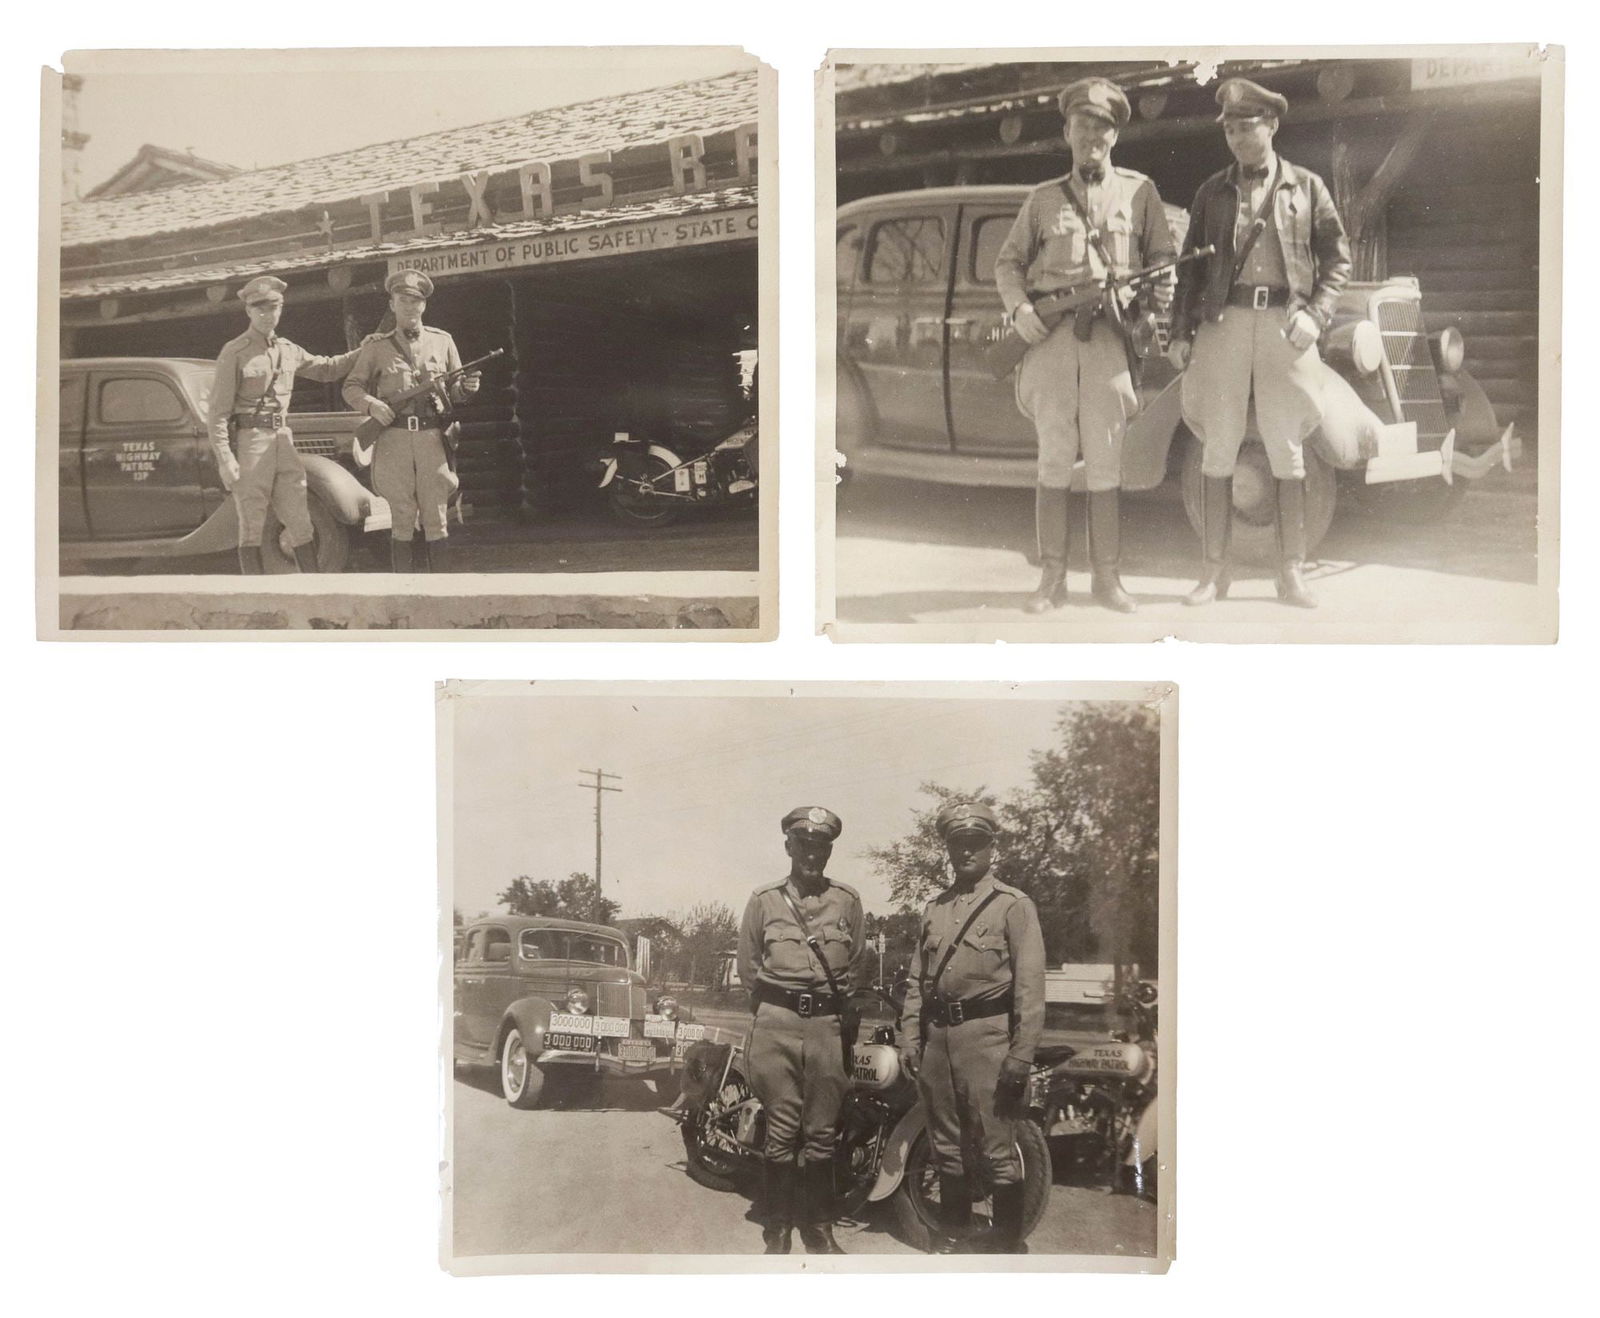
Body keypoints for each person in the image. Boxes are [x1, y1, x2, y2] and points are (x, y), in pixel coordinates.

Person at [1168, 77, 1353, 609]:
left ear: (1271, 126)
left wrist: (1316, 315)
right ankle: (1213, 574)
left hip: (1285, 326)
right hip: (1223, 326)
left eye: (1247, 127)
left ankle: (1290, 573)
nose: (1238, 138)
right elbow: (1190, 271)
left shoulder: (1308, 187)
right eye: (1229, 129)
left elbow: (1337, 260)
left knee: (1288, 447)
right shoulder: (1212, 191)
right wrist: (1182, 333)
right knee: (1217, 447)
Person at [994, 77, 1176, 614]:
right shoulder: (1044, 199)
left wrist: (1152, 303)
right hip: (1051, 343)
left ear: (1115, 134)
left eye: (1102, 126)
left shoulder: (1141, 193)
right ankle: (1052, 580)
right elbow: (1008, 264)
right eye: (1083, 125)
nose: (1092, 135)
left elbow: (1163, 263)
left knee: (1105, 463)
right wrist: (1021, 308)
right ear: (1067, 131)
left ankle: (1107, 580)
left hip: (1108, 345)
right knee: (1053, 460)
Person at [898, 802, 1045, 1253]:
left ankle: (1004, 1247)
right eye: (956, 844)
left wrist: (1021, 1054)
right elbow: (915, 982)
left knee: (998, 1150)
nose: (965, 852)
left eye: (974, 843)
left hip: (988, 1040)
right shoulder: (935, 908)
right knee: (946, 1145)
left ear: (991, 848)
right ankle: (954, 1237)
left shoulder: (1012, 906)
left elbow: (1030, 986)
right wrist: (909, 1035)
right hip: (937, 1041)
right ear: (947, 849)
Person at [736, 807, 865, 1254]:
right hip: (778, 1022)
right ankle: (777, 1225)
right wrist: (778, 1010)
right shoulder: (764, 900)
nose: (813, 854)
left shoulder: (847, 901)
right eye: (804, 844)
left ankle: (818, 1225)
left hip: (827, 1026)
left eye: (821, 846)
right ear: (789, 846)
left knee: (821, 1130)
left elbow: (856, 967)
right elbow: (749, 968)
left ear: (829, 851)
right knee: (782, 1127)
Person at [207, 276, 365, 574]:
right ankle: (256, 596)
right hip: (251, 440)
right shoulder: (235, 352)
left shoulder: (288, 350)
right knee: (252, 520)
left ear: (281, 310)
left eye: (274, 308)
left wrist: (363, 352)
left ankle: (313, 591)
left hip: (284, 439)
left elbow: (327, 369)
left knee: (300, 518)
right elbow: (217, 413)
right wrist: (225, 458)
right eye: (261, 309)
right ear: (249, 312)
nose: (268, 315)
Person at [340, 270, 480, 572]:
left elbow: (454, 391)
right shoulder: (376, 347)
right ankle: (402, 593)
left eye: (415, 301)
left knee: (437, 517)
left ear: (423, 306)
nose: (409, 307)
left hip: (432, 440)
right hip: (395, 440)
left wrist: (467, 390)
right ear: (392, 304)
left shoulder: (443, 342)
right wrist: (372, 405)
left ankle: (441, 594)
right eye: (402, 301)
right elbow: (351, 386)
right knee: (401, 518)